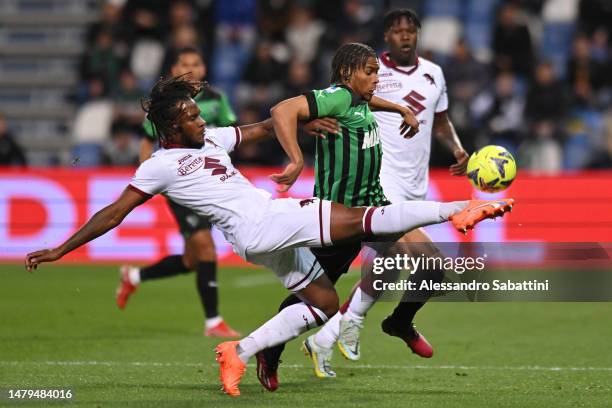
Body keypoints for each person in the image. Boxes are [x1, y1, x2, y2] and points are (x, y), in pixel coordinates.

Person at [25, 75, 514, 397]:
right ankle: (462, 209)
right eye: (193, 116)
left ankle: (236, 353)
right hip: (264, 224)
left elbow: (260, 127)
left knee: (323, 303)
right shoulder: (158, 166)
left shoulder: (210, 139)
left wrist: (306, 121)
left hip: (258, 236)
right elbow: (114, 212)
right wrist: (62, 248)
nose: (203, 120)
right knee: (368, 217)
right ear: (172, 127)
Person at [299, 10, 473, 379]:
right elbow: (327, 101)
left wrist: (456, 149)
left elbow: (440, 121)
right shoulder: (368, 71)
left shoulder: (434, 74)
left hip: (415, 186)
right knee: (430, 263)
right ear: (387, 36)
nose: (405, 37)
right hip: (379, 183)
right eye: (398, 31)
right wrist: (310, 121)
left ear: (419, 35)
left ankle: (326, 338)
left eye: (411, 31)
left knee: (387, 270)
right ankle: (395, 324)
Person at [116, 46, 240, 338]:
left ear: (204, 69)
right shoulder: (168, 106)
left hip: (207, 180)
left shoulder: (217, 99)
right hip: (181, 182)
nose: (191, 69)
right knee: (206, 248)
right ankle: (214, 322)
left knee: (191, 260)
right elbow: (148, 141)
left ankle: (134, 276)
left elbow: (230, 131)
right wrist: (150, 175)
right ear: (174, 70)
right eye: (185, 64)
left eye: (196, 63)